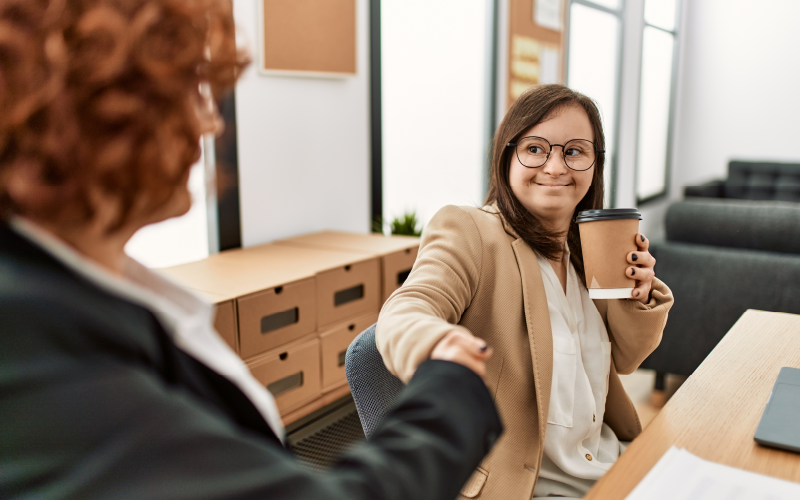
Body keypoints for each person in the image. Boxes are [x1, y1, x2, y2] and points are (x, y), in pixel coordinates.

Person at [0, 0, 503, 498]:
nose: (209, 122)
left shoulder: (79, 290)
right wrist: (451, 384)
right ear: (89, 111)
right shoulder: (25, 344)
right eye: (190, 91)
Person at [376, 84, 674, 500]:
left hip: (608, 464)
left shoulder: (588, 247)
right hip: (530, 488)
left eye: (574, 151)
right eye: (535, 148)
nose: (555, 166)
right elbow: (408, 308)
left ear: (595, 164)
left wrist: (637, 296)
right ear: (507, 155)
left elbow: (625, 360)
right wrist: (437, 342)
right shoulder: (470, 231)